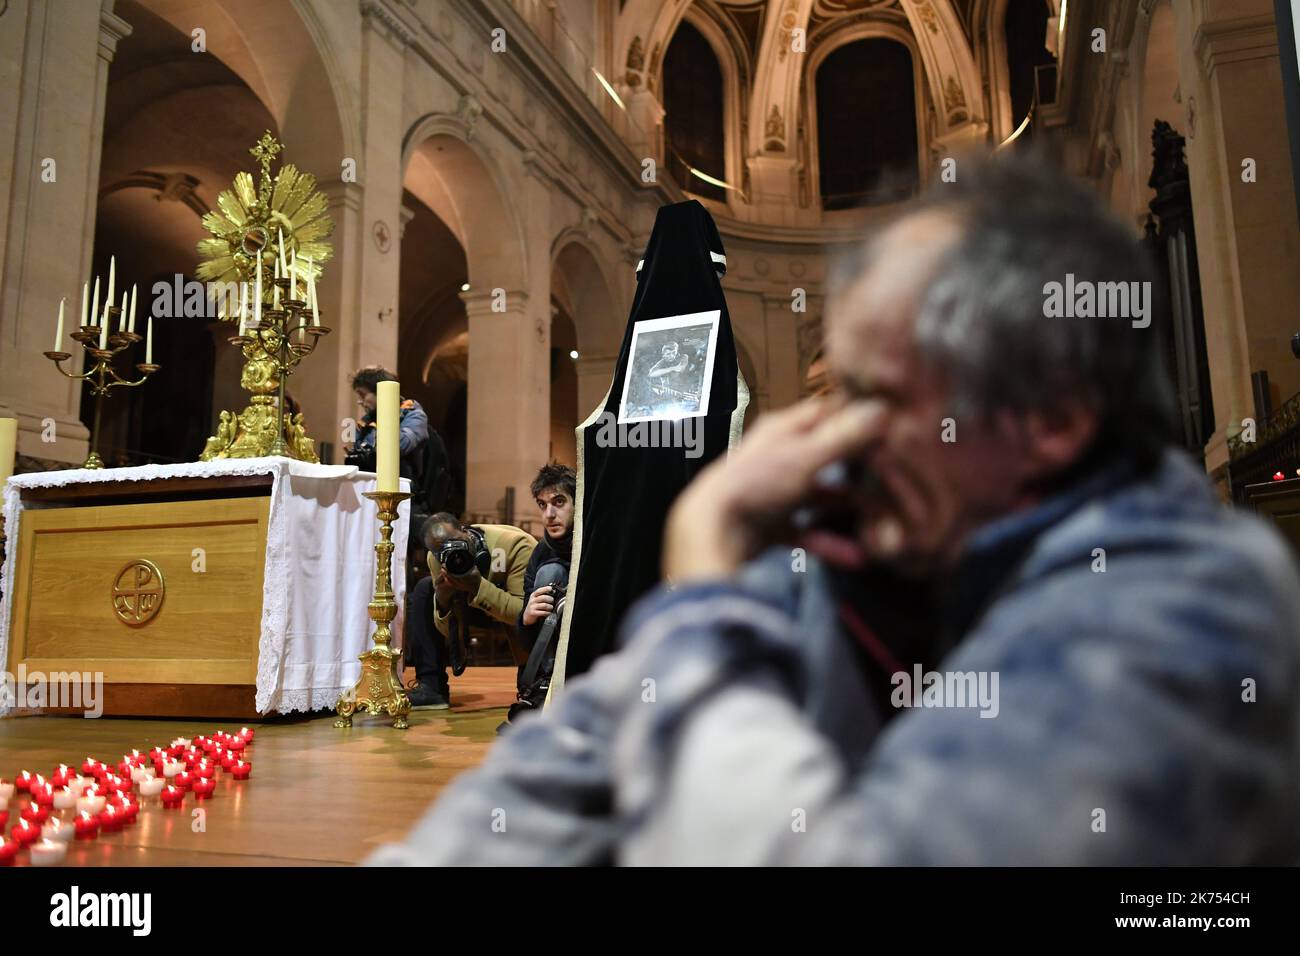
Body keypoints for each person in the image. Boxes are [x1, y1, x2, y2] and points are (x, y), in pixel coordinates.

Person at [370, 154, 1300, 866]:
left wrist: (700, 584)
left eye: (876, 395)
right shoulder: (858, 556)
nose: (829, 442)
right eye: (827, 395)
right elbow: (562, 775)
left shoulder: (1191, 608)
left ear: (1051, 417)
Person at [404, 513, 535, 710]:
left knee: (532, 690)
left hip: (513, 607)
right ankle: (431, 686)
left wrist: (477, 586)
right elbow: (446, 631)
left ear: (466, 531)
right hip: (469, 604)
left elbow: (523, 613)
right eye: (442, 551)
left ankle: (533, 678)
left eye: (456, 542)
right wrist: (443, 599)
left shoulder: (515, 545)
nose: (452, 553)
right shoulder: (437, 558)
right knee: (424, 589)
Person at [510, 463, 576, 717]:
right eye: (542, 504)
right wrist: (527, 618)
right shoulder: (540, 553)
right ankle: (545, 687)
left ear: (577, 502)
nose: (549, 514)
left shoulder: (596, 542)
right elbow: (526, 643)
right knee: (548, 573)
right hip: (546, 660)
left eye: (558, 502)